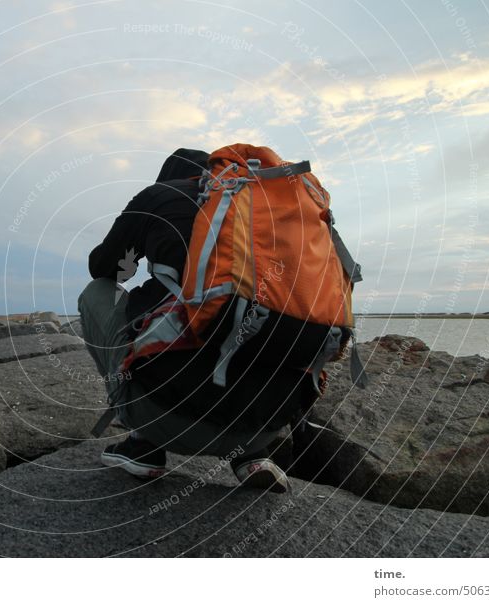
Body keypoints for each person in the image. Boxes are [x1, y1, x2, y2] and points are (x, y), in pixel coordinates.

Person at [78, 149, 317, 492]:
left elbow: (101, 268)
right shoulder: (265, 216)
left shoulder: (159, 196)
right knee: (245, 320)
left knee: (95, 292)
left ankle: (144, 443)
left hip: (167, 417)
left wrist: (149, 234)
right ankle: (253, 456)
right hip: (266, 421)